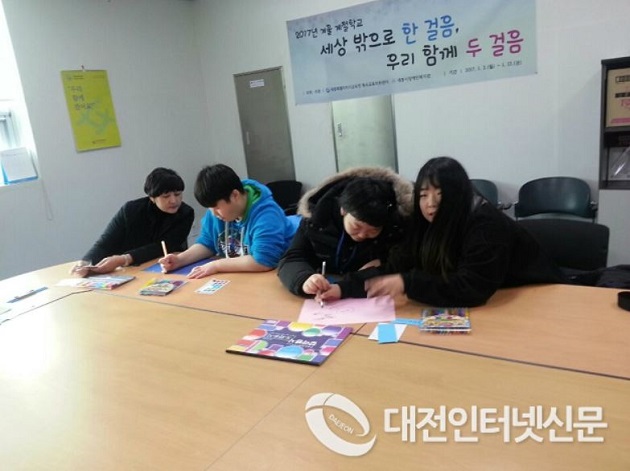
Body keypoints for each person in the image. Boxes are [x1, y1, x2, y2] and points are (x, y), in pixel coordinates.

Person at [317, 157, 567, 306]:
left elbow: (471, 288)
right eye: (423, 194)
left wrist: (408, 283)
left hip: (538, 296)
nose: (431, 204)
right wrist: (343, 288)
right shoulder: (424, 222)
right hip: (500, 298)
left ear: (458, 195)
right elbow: (396, 266)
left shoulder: (485, 224)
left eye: (440, 194)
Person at [277, 166, 413, 299]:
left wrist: (378, 266)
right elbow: (292, 258)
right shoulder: (317, 218)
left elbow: (401, 268)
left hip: (366, 299)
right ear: (343, 210)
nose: (362, 234)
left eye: (373, 230)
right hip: (321, 295)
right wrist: (305, 279)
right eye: (356, 226)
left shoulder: (396, 228)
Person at [159, 163, 297, 278]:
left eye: (217, 207)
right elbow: (207, 243)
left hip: (277, 273)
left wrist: (216, 265)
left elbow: (263, 261)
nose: (213, 213)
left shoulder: (267, 215)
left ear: (235, 195)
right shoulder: (217, 212)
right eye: (210, 208)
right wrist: (180, 260)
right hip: (243, 277)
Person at [71, 167, 194, 277]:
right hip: (131, 272)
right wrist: (85, 262)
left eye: (178, 194)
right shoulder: (131, 210)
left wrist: (124, 259)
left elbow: (162, 246)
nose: (174, 200)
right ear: (152, 197)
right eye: (166, 196)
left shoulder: (186, 213)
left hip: (166, 269)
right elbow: (105, 243)